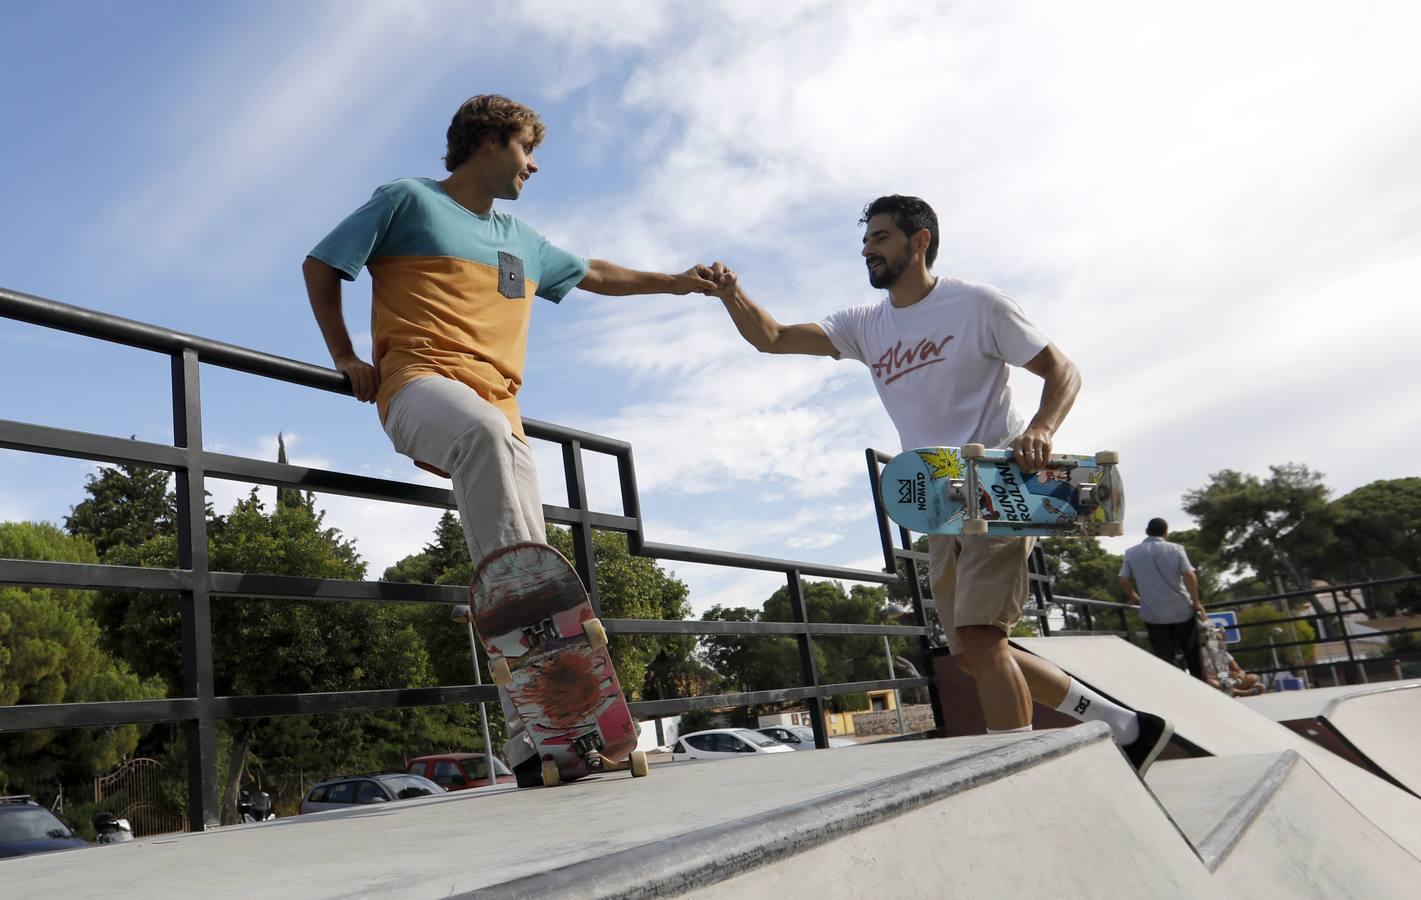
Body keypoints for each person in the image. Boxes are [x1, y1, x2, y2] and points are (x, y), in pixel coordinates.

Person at [302, 94, 718, 785]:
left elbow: (598, 273)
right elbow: (322, 265)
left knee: (535, 550)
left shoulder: (521, 240)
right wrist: (346, 355)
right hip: (416, 386)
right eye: (527, 148)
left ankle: (540, 739)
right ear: (491, 141)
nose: (534, 164)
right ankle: (540, 658)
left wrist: (677, 283)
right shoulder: (406, 200)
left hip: (500, 414)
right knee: (494, 457)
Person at [708, 195, 1173, 775]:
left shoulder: (976, 305)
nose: (866, 249)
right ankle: (1128, 725)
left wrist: (1041, 428)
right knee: (977, 654)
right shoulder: (864, 325)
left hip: (1000, 488)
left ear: (919, 240)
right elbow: (773, 338)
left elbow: (1063, 370)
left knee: (982, 635)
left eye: (880, 238)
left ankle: (1028, 774)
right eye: (866, 240)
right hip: (937, 502)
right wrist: (732, 295)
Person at [1119, 518, 1206, 680]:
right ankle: (1203, 689)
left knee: (1165, 658)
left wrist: (1135, 598)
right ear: (1166, 532)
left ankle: (1173, 692)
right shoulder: (1176, 549)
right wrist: (1196, 602)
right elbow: (1189, 575)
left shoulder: (1131, 552)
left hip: (1153, 613)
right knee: (1192, 654)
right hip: (1182, 612)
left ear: (1146, 531)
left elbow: (1124, 580)